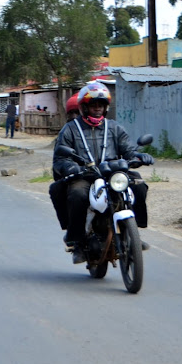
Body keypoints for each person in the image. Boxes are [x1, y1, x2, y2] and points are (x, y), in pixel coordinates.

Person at [50, 82, 153, 264]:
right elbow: (60, 158)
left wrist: (138, 156)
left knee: (139, 185)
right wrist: (71, 167)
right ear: (84, 107)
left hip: (112, 174)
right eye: (93, 105)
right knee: (76, 194)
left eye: (100, 105)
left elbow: (128, 150)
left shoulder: (114, 128)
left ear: (105, 107)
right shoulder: (70, 129)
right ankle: (78, 241)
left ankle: (134, 232)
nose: (97, 109)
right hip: (85, 175)